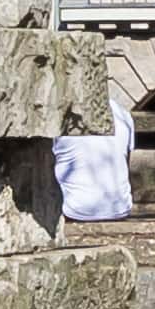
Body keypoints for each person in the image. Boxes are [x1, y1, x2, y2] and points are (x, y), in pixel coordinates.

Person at [55, 91, 137, 223]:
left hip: (72, 211)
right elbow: (125, 161)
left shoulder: (59, 114)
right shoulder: (123, 113)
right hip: (119, 209)